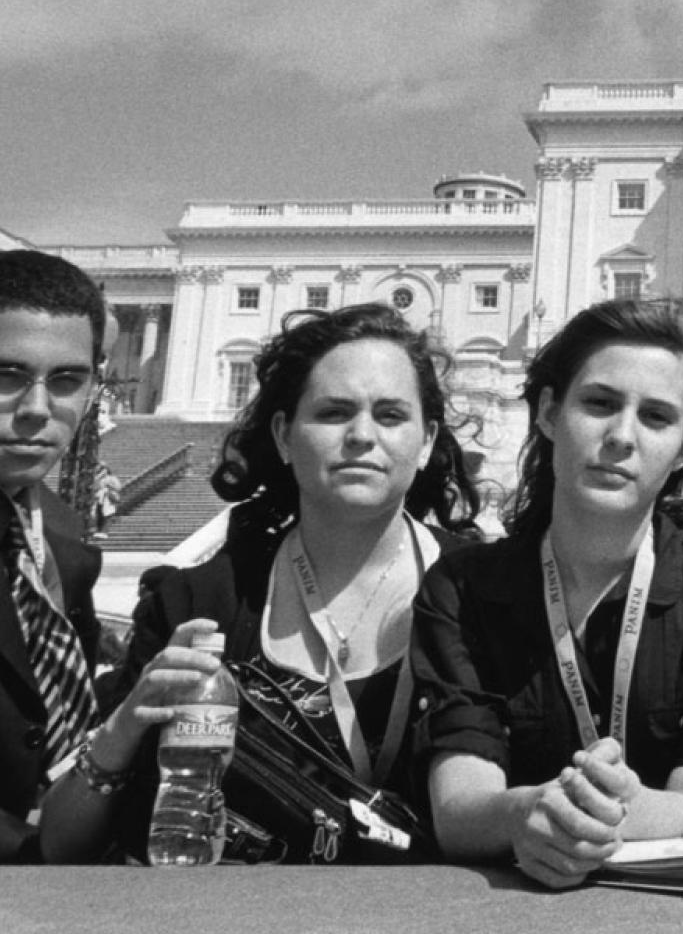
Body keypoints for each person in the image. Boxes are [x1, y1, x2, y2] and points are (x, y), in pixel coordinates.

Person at [41, 301, 481, 862]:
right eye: (334, 413)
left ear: (427, 441)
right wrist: (123, 728)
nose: (362, 435)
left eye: (391, 415)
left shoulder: (488, 592)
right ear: (283, 435)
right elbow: (61, 844)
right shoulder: (194, 602)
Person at [413, 299, 683, 889]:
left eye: (656, 417)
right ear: (548, 412)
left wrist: (581, 814)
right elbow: (459, 810)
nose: (621, 436)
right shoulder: (460, 587)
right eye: (599, 403)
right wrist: (526, 813)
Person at [0, 251, 105, 863]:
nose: (38, 408)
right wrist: (36, 852)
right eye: (8, 375)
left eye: (66, 380)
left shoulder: (64, 538)